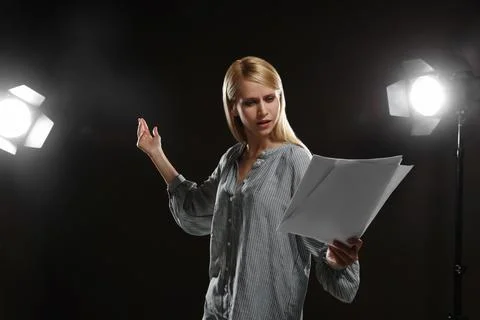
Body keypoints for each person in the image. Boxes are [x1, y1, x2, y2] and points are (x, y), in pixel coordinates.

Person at [136, 56, 363, 320]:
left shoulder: (295, 160)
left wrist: (336, 261)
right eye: (251, 102)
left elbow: (324, 243)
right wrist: (156, 153)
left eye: (270, 98)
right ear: (234, 108)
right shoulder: (231, 159)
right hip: (217, 312)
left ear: (280, 98)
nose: (263, 111)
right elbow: (194, 212)